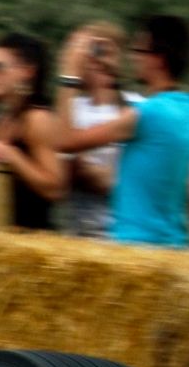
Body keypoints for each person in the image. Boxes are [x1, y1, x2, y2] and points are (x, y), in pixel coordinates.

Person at [59, 15, 189, 248]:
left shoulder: (146, 114)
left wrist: (68, 73)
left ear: (159, 58)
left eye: (139, 50)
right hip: (175, 243)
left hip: (136, 244)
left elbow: (64, 140)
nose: (132, 57)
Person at [53, 22, 142, 237]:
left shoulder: (138, 106)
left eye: (102, 49)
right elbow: (56, 163)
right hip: (78, 232)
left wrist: (97, 174)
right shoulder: (70, 106)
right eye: (80, 48)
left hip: (124, 232)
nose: (92, 57)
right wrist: (69, 75)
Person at [0, 32, 67, 230]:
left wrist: (13, 156)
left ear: (27, 72)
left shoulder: (38, 119)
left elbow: (55, 188)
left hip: (34, 243)